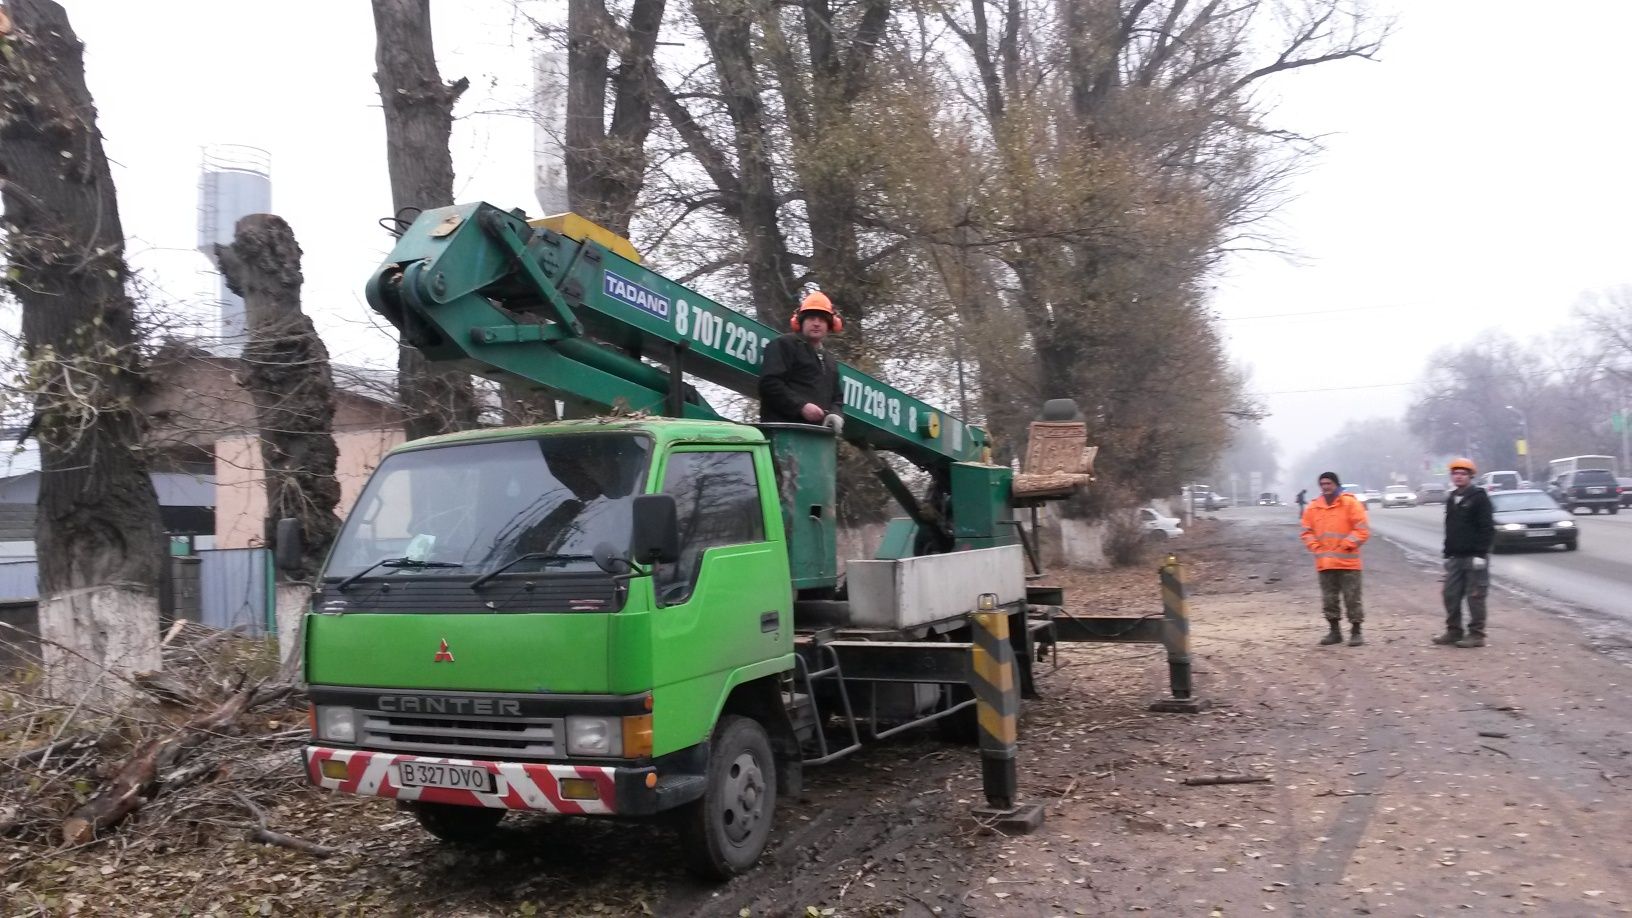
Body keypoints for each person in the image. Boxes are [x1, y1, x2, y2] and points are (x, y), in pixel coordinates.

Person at [1299, 471, 1370, 646]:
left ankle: (1356, 632)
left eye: (1328, 483)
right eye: (1322, 484)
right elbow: (1306, 532)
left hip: (1348, 562)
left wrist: (1347, 544)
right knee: (1329, 599)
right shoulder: (1314, 507)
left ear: (1336, 484)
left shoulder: (1350, 503)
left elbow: (1362, 530)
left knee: (1352, 598)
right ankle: (1334, 631)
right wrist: (1315, 547)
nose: (1325, 487)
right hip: (1325, 563)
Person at [759, 291, 844, 430]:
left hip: (817, 435)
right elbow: (769, 384)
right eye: (811, 318)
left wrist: (835, 414)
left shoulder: (830, 361)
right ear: (800, 322)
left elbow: (837, 398)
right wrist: (801, 407)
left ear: (830, 325)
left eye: (822, 320)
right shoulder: (783, 345)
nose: (816, 323)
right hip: (784, 431)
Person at [1436, 457, 1495, 648]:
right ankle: (1454, 631)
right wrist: (1447, 553)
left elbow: (1487, 527)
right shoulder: (1452, 498)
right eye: (1455, 473)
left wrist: (1481, 553)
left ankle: (1476, 634)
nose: (1459, 477)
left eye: (1463, 474)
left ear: (1470, 476)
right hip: (1455, 557)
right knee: (1450, 595)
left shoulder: (1479, 497)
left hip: (1474, 557)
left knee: (1475, 596)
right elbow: (1450, 527)